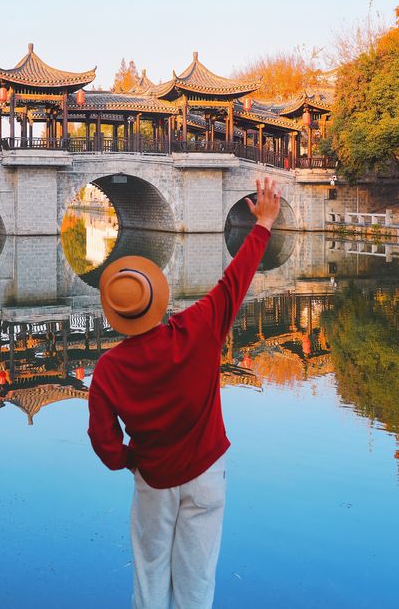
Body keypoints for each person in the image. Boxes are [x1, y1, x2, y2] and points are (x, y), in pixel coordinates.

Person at [88, 176, 282, 609]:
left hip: (154, 478)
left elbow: (104, 443)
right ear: (156, 299)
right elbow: (237, 278)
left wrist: (129, 460)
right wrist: (264, 222)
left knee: (150, 571)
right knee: (197, 578)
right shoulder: (198, 328)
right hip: (207, 471)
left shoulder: (109, 370)